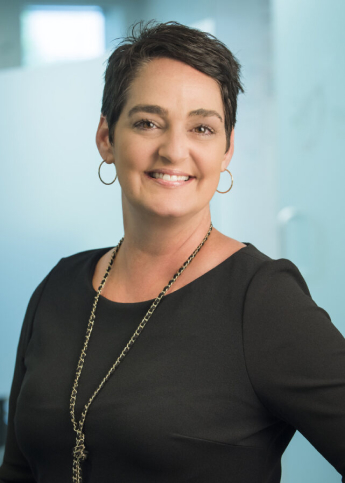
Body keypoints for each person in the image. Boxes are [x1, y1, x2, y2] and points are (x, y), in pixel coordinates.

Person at [0, 20, 344, 483]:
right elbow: (19, 468)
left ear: (226, 150)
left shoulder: (261, 299)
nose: (174, 150)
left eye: (202, 127)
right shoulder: (59, 286)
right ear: (107, 137)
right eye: (148, 122)